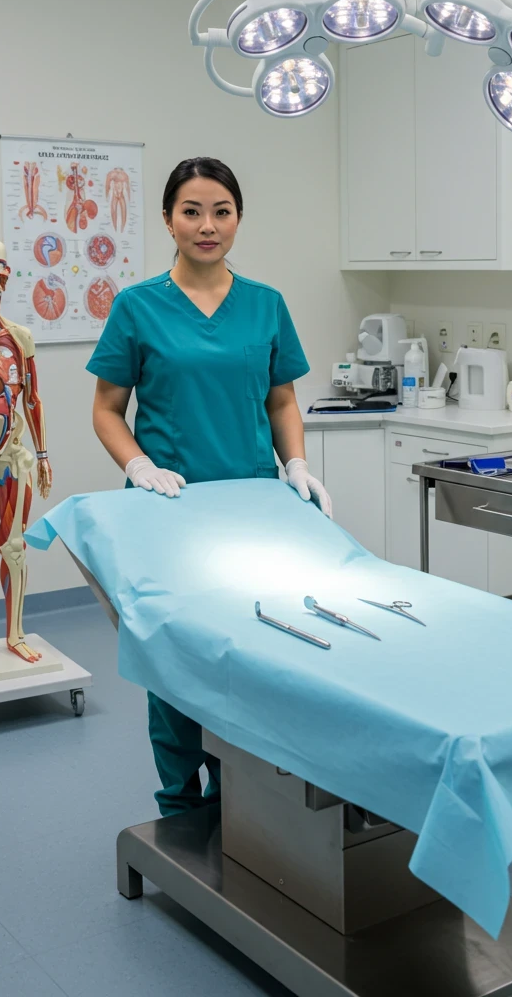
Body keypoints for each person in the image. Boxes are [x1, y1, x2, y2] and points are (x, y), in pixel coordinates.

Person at [88, 156, 331, 817]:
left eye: (221, 211)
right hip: (173, 513)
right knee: (174, 657)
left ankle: (244, 792)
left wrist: (297, 467)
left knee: (252, 652)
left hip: (256, 511)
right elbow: (107, 410)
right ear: (168, 219)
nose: (207, 225)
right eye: (192, 211)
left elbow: (282, 402)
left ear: (238, 219)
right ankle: (182, 800)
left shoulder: (265, 305)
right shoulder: (138, 307)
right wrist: (137, 465)